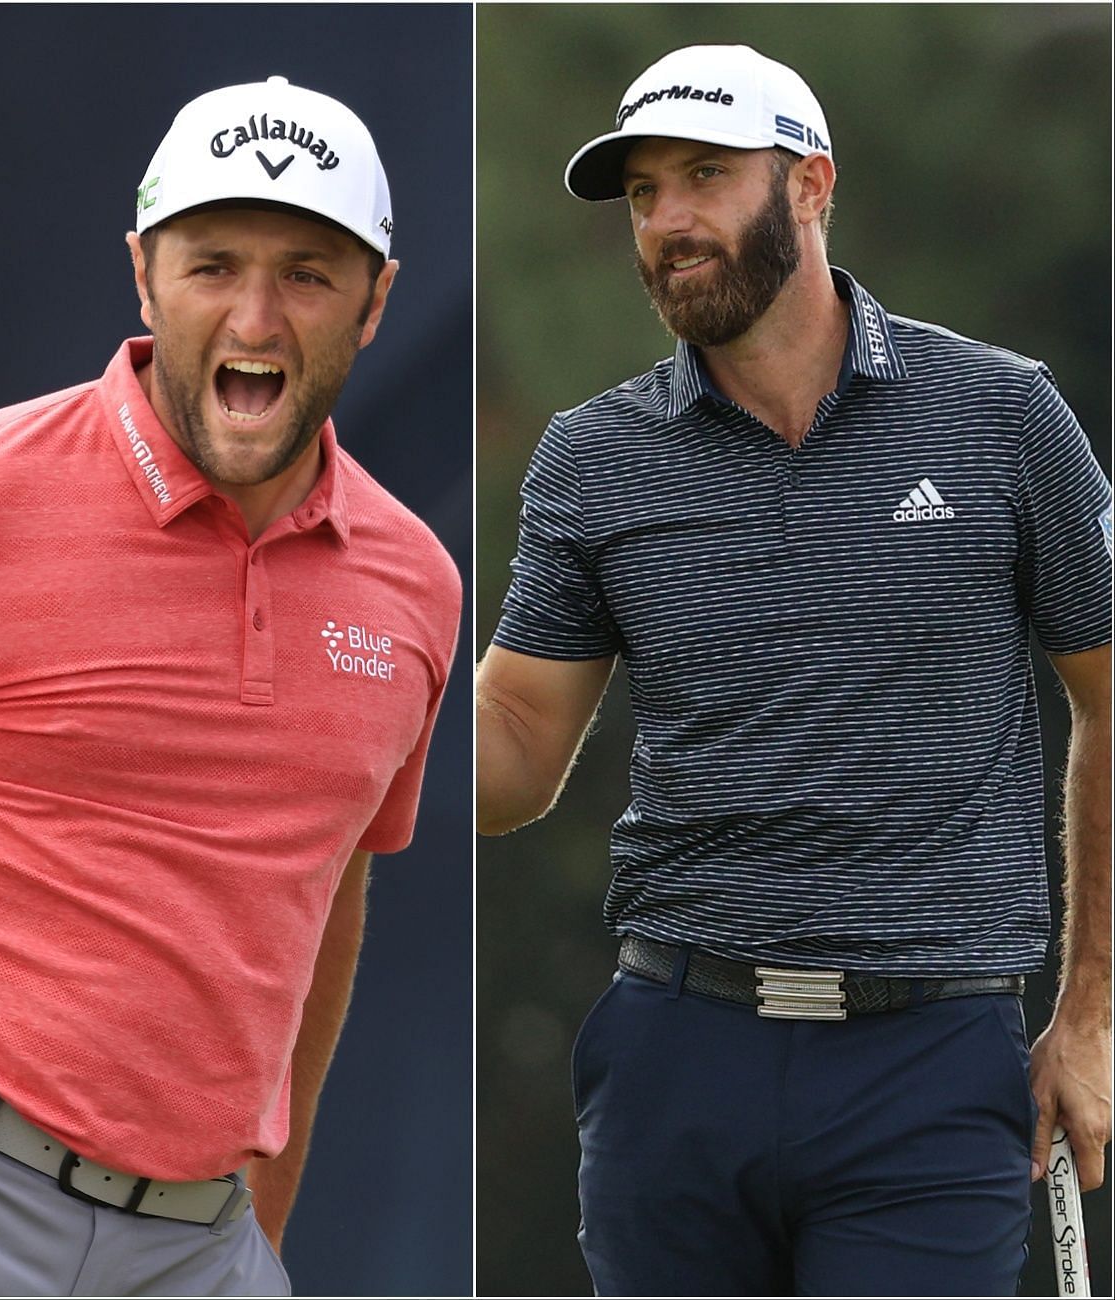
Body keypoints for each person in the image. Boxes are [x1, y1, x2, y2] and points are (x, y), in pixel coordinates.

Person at [476, 42, 1112, 1295]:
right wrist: (347, 722)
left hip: (930, 1065)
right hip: (675, 1055)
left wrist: (1089, 1013)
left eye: (705, 176)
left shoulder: (1001, 415)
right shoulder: (593, 457)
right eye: (645, 194)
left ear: (811, 186)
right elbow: (514, 752)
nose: (667, 222)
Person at [0, 75, 461, 1296]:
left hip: (198, 1242)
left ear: (380, 301)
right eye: (213, 263)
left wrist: (255, 1232)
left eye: (310, 274)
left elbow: (327, 896)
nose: (258, 316)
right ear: (143, 276)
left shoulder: (415, 585)